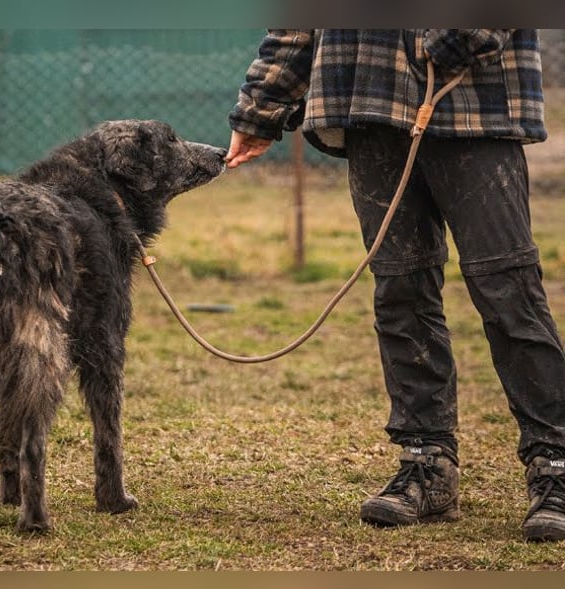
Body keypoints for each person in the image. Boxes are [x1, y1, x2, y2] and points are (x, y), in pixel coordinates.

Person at [226, 29, 565, 542]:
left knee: (508, 289)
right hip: (368, 105)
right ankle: (426, 463)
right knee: (400, 291)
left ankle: (554, 463)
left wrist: (457, 40)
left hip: (473, 103)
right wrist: (260, 110)